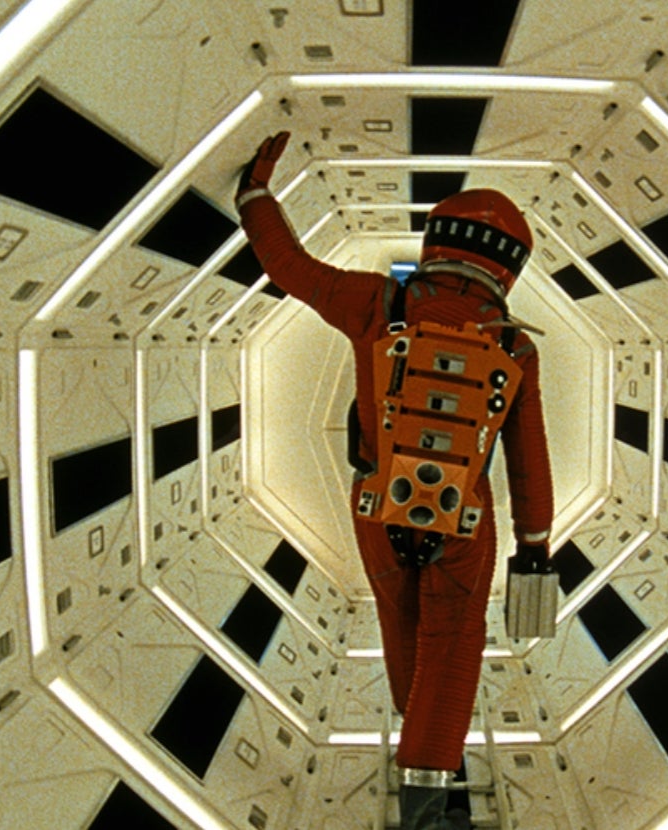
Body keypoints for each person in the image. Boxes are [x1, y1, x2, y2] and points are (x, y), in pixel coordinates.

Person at [235, 132, 554, 830]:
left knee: (398, 623)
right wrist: (535, 547)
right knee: (454, 645)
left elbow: (288, 266)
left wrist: (256, 192)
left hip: (378, 505)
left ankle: (421, 752)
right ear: (508, 269)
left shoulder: (380, 302)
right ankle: (427, 798)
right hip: (464, 520)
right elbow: (528, 460)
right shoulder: (516, 346)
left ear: (438, 241)